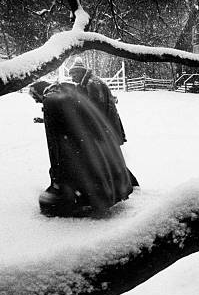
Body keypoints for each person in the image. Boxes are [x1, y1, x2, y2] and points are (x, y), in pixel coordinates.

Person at [28, 77, 137, 217]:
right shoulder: (68, 90)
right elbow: (73, 116)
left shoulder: (51, 99)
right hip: (92, 137)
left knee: (82, 172)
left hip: (76, 144)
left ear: (38, 92)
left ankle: (91, 200)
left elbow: (56, 137)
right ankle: (109, 193)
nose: (37, 102)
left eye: (35, 98)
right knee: (98, 166)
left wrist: (57, 174)